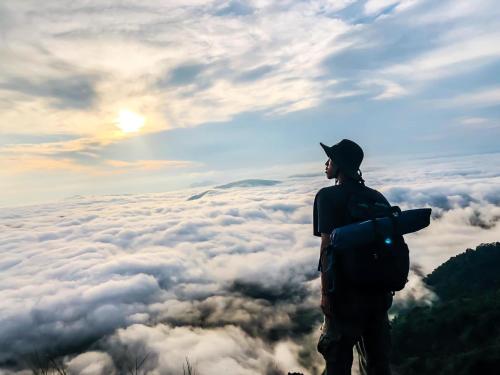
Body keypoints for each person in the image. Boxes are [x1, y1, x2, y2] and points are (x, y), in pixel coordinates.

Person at [313, 139, 393, 375]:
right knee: (378, 365)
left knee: (337, 363)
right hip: (378, 295)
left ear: (338, 164)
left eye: (329, 159)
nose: (325, 164)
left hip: (344, 296)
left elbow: (327, 248)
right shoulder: (376, 196)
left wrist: (326, 295)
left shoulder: (327, 196)